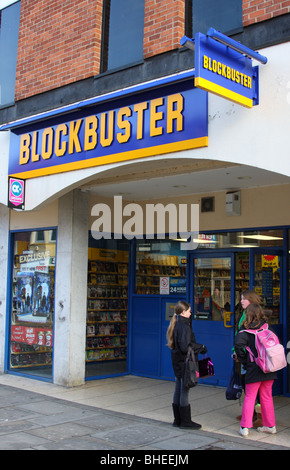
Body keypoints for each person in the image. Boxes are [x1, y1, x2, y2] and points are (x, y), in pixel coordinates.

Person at [234, 302, 277, 437]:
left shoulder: (245, 330)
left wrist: (245, 360)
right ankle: (270, 426)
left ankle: (245, 427)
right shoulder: (268, 328)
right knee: (267, 397)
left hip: (253, 367)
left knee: (250, 397)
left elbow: (238, 345)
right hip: (269, 368)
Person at [166, 300, 207, 429]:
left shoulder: (176, 324)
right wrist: (201, 347)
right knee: (185, 390)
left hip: (177, 361)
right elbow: (185, 346)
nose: (191, 313)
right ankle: (185, 421)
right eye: (189, 311)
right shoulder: (184, 326)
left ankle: (177, 419)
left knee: (178, 388)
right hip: (185, 362)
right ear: (183, 312)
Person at [234, 289, 263, 427]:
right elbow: (238, 332)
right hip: (243, 355)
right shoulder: (243, 314)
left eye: (243, 299)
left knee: (255, 389)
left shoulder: (254, 315)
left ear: (251, 300)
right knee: (245, 384)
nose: (241, 301)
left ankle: (259, 416)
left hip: (251, 357)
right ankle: (249, 413)